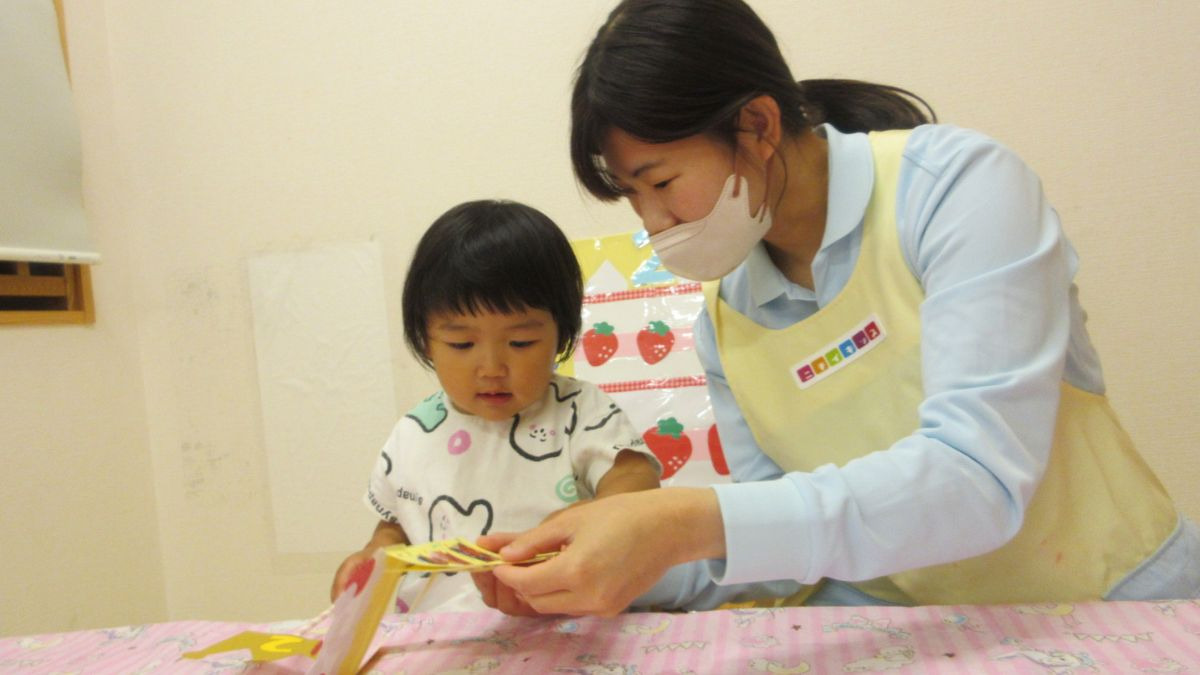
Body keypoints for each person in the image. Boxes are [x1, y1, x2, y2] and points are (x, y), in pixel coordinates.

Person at [474, 0, 1200, 616]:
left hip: (1121, 605)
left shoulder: (958, 189)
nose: (653, 223)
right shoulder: (726, 319)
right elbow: (783, 548)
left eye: (660, 183)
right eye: (633, 196)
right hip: (945, 634)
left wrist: (683, 519)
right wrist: (591, 568)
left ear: (758, 126)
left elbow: (977, 480)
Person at [331, 200, 661, 612]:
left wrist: (602, 515)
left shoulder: (579, 412)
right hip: (440, 632)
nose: (491, 368)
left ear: (561, 334)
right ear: (425, 340)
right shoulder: (415, 431)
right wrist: (372, 558)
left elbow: (634, 477)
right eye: (461, 344)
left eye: (520, 342)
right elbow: (396, 523)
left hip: (564, 622)